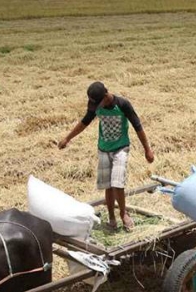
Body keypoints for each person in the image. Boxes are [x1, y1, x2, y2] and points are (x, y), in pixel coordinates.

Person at [58, 82, 154, 231]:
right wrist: (67, 138)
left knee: (117, 183)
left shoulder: (122, 104)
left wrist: (147, 149)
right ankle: (111, 217)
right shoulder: (96, 107)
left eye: (98, 103)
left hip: (121, 148)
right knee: (108, 186)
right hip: (103, 149)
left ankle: (123, 214)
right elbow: (84, 122)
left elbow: (137, 126)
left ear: (105, 96)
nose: (96, 107)